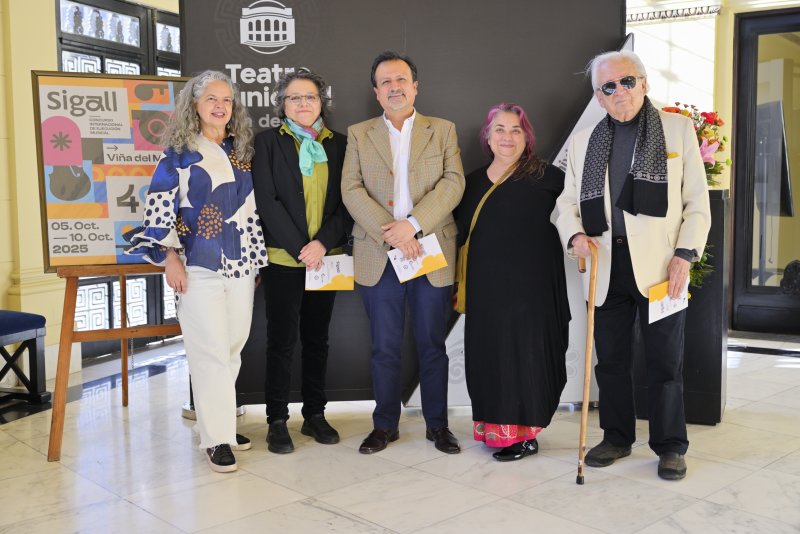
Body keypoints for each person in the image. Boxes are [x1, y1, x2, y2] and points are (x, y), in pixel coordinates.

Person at [555, 50, 711, 480]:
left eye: (627, 81)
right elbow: (566, 203)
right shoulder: (583, 141)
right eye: (608, 86)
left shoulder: (677, 130)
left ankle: (670, 446)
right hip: (606, 267)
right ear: (598, 96)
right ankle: (617, 437)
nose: (619, 91)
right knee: (610, 361)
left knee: (665, 363)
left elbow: (697, 204)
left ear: (644, 83)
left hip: (662, 268)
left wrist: (684, 255)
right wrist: (575, 235)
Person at [126, 70, 267, 472]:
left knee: (232, 348)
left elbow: (252, 208)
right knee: (209, 352)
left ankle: (219, 424)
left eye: (226, 100)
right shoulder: (177, 154)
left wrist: (255, 257)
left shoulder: (242, 150)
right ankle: (217, 438)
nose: (220, 106)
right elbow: (159, 207)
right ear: (195, 105)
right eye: (211, 99)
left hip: (241, 261)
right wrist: (169, 258)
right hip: (197, 264)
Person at [341, 51, 465, 455]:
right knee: (384, 347)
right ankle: (384, 425)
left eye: (401, 80)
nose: (394, 88)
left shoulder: (442, 130)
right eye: (385, 82)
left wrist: (413, 225)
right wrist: (394, 233)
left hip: (430, 250)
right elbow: (351, 189)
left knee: (432, 345)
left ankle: (438, 425)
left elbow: (453, 183)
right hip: (379, 254)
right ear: (376, 93)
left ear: (415, 86)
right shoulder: (359, 134)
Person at [455, 103, 570, 462]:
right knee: (490, 355)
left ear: (527, 137)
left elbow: (575, 213)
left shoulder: (548, 177)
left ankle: (526, 435)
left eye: (516, 130)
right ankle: (495, 429)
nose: (508, 137)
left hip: (533, 289)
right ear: (488, 137)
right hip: (486, 289)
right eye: (500, 129)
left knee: (527, 356)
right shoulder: (469, 183)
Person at [252, 68, 349, 454]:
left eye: (310, 96)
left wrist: (322, 243)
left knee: (317, 339)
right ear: (282, 104)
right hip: (283, 259)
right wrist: (301, 248)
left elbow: (348, 200)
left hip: (327, 259)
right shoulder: (266, 143)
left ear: (321, 102)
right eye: (294, 97)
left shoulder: (340, 144)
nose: (303, 103)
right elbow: (267, 200)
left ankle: (314, 414)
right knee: (281, 341)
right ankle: (277, 420)